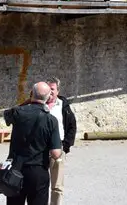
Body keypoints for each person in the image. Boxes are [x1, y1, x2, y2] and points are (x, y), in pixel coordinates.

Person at [3, 82, 62, 205]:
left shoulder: (18, 113)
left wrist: (28, 101)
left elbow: (7, 114)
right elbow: (56, 153)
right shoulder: (51, 120)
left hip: (16, 169)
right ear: (48, 97)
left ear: (31, 94)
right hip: (38, 171)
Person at [45, 77, 77, 205]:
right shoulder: (38, 105)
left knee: (57, 186)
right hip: (39, 150)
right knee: (39, 185)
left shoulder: (64, 106)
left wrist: (66, 145)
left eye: (52, 89)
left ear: (58, 91)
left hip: (58, 148)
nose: (50, 92)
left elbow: (72, 126)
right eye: (48, 89)